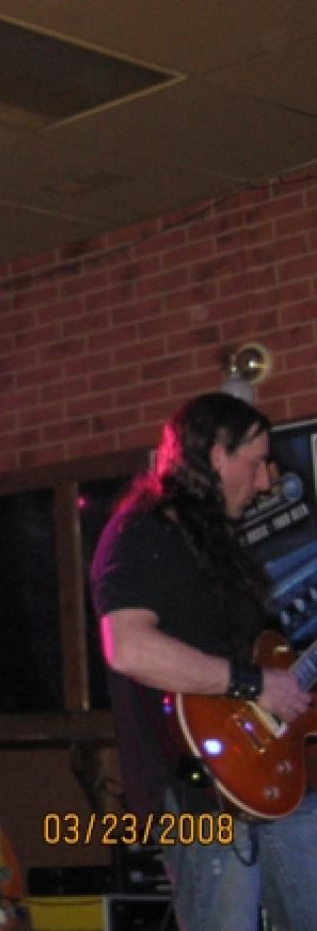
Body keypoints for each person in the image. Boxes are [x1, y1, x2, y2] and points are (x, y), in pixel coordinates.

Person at [90, 392, 317, 931]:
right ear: (217, 454)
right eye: (255, 463)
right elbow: (128, 647)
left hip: (275, 778)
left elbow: (268, 660)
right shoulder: (140, 531)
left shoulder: (219, 545)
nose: (265, 481)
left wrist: (278, 687)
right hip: (196, 792)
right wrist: (252, 684)